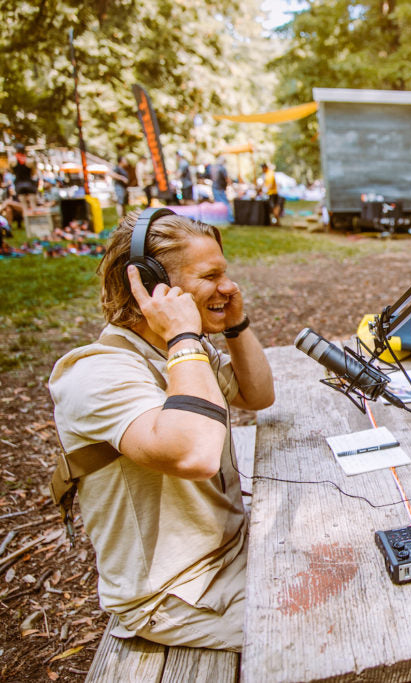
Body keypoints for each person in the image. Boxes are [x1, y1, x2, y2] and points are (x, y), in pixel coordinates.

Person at [48, 209, 275, 651]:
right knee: (336, 623)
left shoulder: (179, 352)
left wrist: (234, 325)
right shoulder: (95, 372)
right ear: (153, 286)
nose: (227, 287)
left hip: (228, 553)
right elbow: (195, 454)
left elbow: (258, 394)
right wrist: (184, 339)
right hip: (175, 592)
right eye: (210, 276)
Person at [11, 143, 38, 210]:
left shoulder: (11, 160)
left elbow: (12, 171)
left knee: (24, 206)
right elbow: (33, 172)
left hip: (19, 183)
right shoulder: (29, 161)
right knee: (33, 205)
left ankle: (26, 218)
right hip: (29, 183)